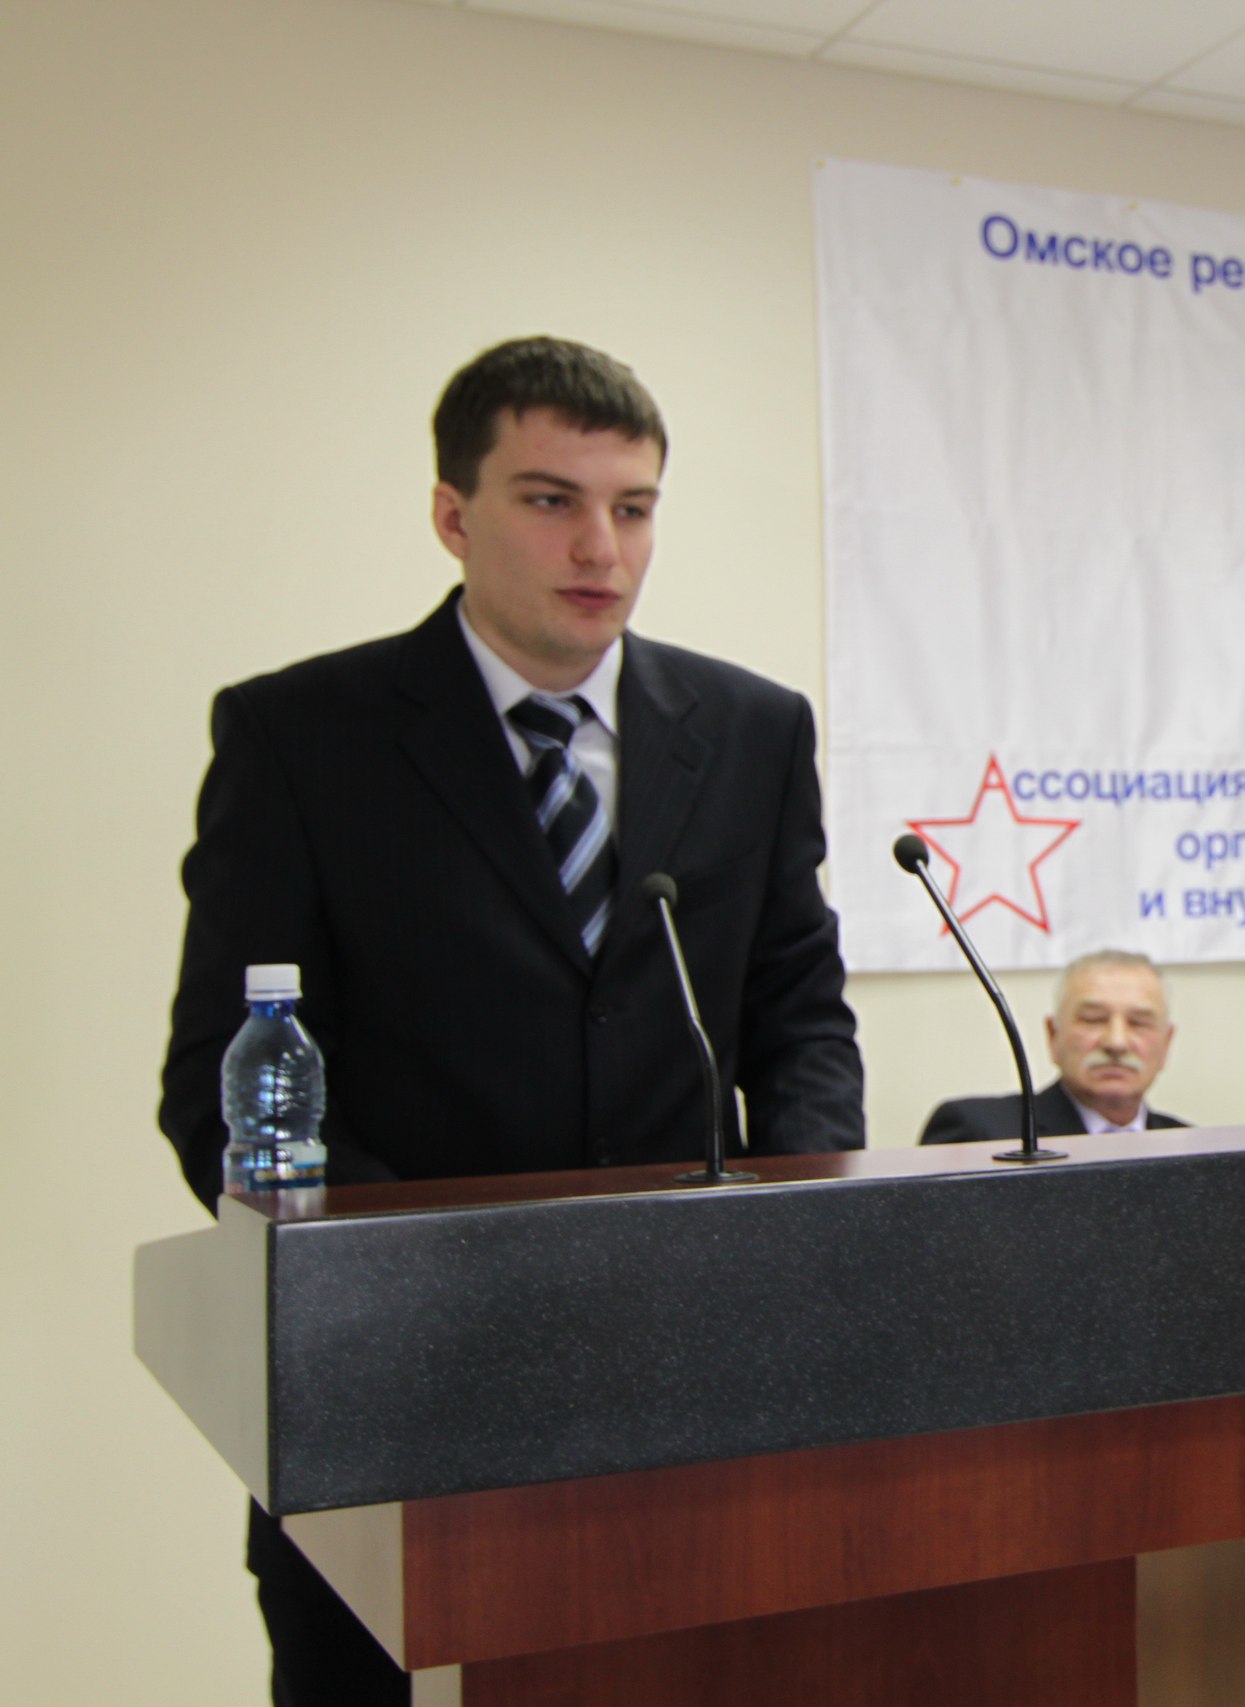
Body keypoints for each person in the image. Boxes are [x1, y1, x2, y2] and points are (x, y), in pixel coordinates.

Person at [158, 336, 867, 1705]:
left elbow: (798, 1017)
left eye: (634, 506)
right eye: (551, 500)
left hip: (692, 1383)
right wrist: (436, 1288)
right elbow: (218, 1086)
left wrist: (798, 1224)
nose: (602, 546)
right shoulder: (303, 735)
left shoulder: (752, 728)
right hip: (396, 1394)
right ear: (453, 513)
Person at [918, 949, 1188, 1141]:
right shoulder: (980, 1133)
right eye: (1093, 1019)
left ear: (1166, 1043)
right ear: (1053, 1035)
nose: (1116, 1042)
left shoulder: (1189, 1145)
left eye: (1139, 1023)